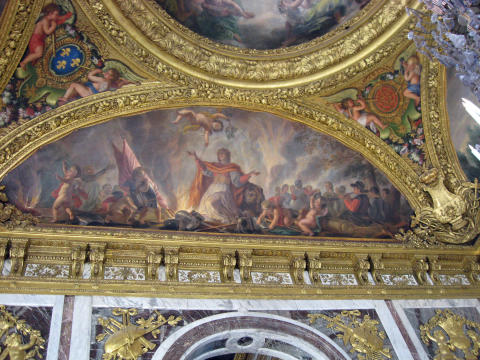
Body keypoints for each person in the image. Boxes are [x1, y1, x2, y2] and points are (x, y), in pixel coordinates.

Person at [188, 148, 259, 223]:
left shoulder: (231, 168)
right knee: (206, 209)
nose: (221, 155)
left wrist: (249, 174)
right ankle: (218, 220)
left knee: (211, 202)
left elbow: (237, 181)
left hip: (223, 190)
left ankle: (225, 217)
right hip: (212, 190)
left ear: (227, 155)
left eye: (223, 153)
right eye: (220, 153)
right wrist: (196, 158)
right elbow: (205, 169)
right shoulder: (215, 166)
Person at [20, 4, 72, 69]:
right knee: (39, 53)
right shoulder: (45, 20)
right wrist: (53, 26)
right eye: (55, 14)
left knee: (38, 53)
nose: (57, 16)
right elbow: (47, 31)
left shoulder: (49, 18)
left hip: (39, 39)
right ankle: (24, 62)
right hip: (36, 39)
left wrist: (66, 16)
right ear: (50, 13)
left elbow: (58, 18)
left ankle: (26, 63)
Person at [58, 68, 129, 104]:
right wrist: (124, 82)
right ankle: (66, 99)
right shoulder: (110, 84)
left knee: (74, 85)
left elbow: (89, 76)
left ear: (111, 77)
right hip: (91, 94)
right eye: (107, 71)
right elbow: (118, 86)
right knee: (75, 91)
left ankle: (65, 98)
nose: (106, 73)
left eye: (108, 73)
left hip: (89, 93)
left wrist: (96, 71)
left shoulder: (103, 80)